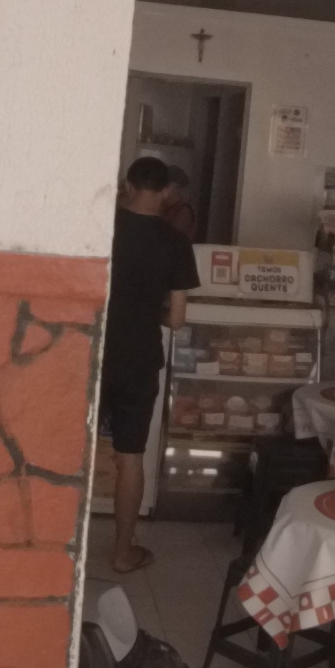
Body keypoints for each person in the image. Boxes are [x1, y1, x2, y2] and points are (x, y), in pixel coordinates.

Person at [100, 156, 199, 577]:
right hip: (138, 360)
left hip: (92, 353)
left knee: (71, 449)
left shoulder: (102, 227)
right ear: (166, 192)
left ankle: (56, 546)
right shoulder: (175, 243)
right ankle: (123, 553)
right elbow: (176, 319)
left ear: (128, 185)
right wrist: (149, 313)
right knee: (130, 457)